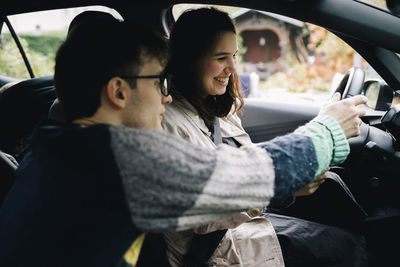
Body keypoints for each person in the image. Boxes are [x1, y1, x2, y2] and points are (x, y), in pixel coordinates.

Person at [0, 16, 366, 267]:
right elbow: (249, 174)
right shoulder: (115, 159)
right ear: (118, 91)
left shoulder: (53, 147)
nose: (167, 96)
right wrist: (329, 129)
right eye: (158, 82)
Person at [162, 7, 368, 267]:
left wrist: (289, 184)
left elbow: (242, 162)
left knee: (333, 200)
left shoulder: (216, 108)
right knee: (344, 247)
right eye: (221, 57)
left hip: (239, 220)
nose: (232, 68)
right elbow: (200, 209)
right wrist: (277, 188)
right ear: (189, 59)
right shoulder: (168, 122)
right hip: (212, 248)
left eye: (235, 56)